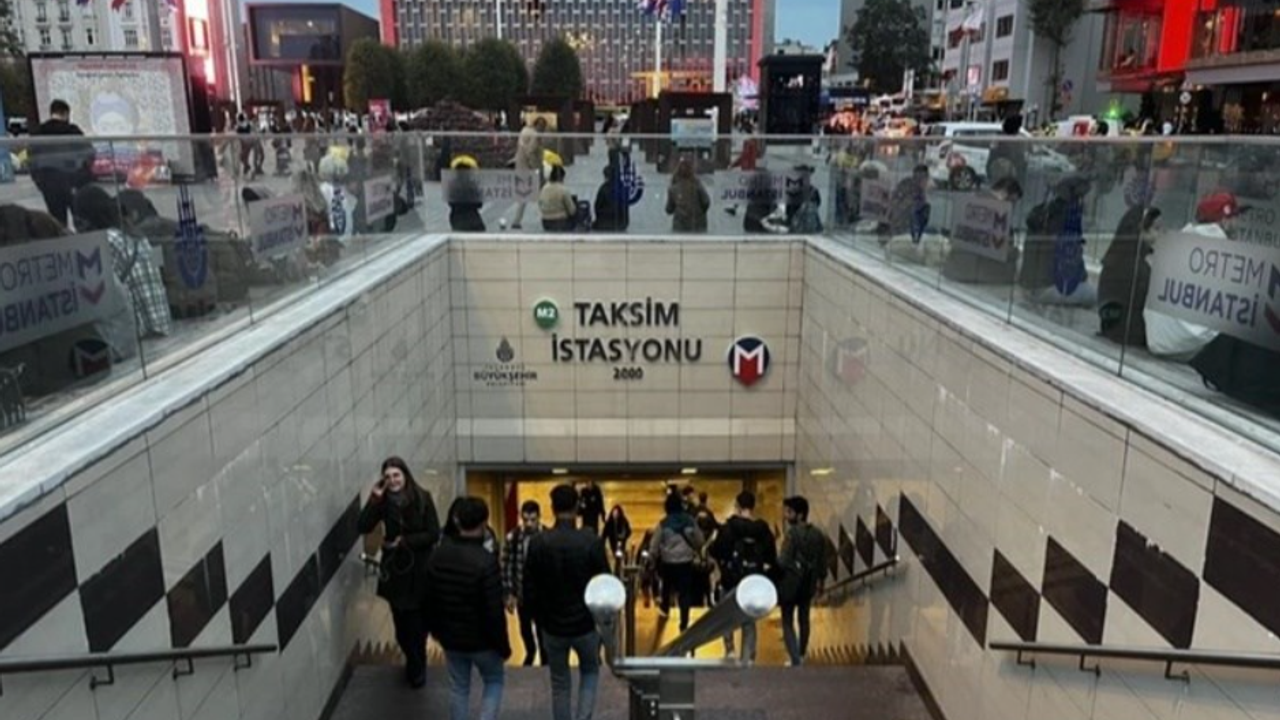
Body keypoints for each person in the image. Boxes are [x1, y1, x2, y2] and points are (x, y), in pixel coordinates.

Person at [525, 485, 611, 720]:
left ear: (552, 508)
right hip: (585, 624)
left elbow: (530, 588)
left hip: (552, 625)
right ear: (577, 507)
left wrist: (539, 620)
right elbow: (604, 582)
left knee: (560, 682)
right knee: (590, 672)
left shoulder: (538, 542)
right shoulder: (591, 541)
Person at [356, 457, 441, 688]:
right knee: (402, 629)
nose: (392, 480)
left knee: (417, 626)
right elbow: (362, 526)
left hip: (420, 570)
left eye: (396, 475)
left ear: (405, 475)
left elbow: (433, 533)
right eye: (388, 477)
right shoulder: (383, 502)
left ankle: (417, 667)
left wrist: (404, 541)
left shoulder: (422, 497)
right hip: (396, 571)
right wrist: (374, 499)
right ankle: (414, 659)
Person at [427, 496, 509, 720]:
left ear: (456, 520)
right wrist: (503, 646)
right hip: (483, 641)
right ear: (484, 523)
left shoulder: (438, 555)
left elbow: (429, 598)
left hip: (451, 639)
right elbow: (494, 610)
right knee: (494, 681)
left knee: (459, 687)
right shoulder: (486, 561)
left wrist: (436, 631)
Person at [1145, 192, 1241, 360]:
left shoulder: (1175, 242)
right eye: (1235, 217)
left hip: (1157, 341)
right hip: (1191, 348)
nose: (1238, 223)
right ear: (1224, 221)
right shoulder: (1224, 255)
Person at [71, 187, 171, 346]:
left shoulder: (106, 241)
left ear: (86, 218)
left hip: (139, 335)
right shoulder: (138, 235)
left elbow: (100, 297)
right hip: (162, 324)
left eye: (77, 221)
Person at [709, 491, 776, 663]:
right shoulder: (762, 529)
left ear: (737, 506)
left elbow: (717, 551)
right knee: (749, 619)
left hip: (730, 578)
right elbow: (771, 557)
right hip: (752, 581)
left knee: (726, 616)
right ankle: (748, 657)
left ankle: (730, 650)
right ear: (753, 506)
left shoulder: (728, 528)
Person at [1019, 173, 1096, 306]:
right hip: (1046, 289)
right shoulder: (1067, 221)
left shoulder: (1044, 211)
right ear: (1078, 198)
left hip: (1027, 286)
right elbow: (1072, 267)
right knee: (1096, 296)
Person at [777, 496, 830, 667]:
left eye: (789, 512)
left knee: (787, 620)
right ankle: (801, 653)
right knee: (804, 618)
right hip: (808, 583)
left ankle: (794, 659)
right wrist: (821, 583)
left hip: (790, 583)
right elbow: (823, 562)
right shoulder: (818, 535)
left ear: (800, 514)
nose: (786, 516)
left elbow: (783, 561)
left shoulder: (791, 534)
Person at [1098, 206, 1161, 348]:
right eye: (1155, 229)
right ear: (1140, 231)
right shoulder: (1137, 266)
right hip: (1132, 335)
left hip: (1112, 330)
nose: (1159, 235)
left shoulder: (1116, 256)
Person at [941, 177, 1024, 284]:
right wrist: (1015, 252)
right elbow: (997, 250)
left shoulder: (972, 203)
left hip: (954, 271)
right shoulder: (996, 214)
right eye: (1012, 201)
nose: (1013, 207)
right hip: (976, 278)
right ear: (1004, 194)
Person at [29, 99, 94, 227]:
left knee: (57, 222)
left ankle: (63, 239)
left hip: (49, 183)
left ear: (52, 112)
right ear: (66, 113)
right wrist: (84, 175)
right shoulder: (73, 130)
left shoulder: (39, 132)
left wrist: (39, 182)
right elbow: (88, 153)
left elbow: (32, 159)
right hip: (73, 182)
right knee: (82, 219)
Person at [649, 491, 706, 630]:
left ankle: (665, 608)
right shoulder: (690, 521)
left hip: (668, 562)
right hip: (685, 562)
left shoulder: (664, 523)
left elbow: (654, 544)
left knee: (666, 587)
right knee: (684, 592)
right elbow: (700, 540)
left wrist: (652, 558)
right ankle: (684, 621)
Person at [502, 500, 546, 666]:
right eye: (525, 519)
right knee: (525, 630)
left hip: (542, 596)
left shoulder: (547, 536)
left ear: (539, 517)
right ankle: (530, 652)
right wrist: (508, 593)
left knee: (543, 633)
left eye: (532, 520)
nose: (529, 524)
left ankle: (544, 660)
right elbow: (506, 566)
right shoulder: (513, 537)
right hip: (522, 594)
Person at [511, 117, 547, 229]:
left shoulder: (524, 131)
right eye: (543, 128)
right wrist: (535, 169)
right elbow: (530, 152)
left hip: (520, 167)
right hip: (530, 169)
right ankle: (548, 215)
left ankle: (517, 220)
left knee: (524, 195)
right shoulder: (535, 136)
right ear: (540, 126)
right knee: (542, 193)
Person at [666, 157, 710, 233]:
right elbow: (706, 202)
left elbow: (669, 210)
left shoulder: (673, 189)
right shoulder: (697, 185)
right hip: (698, 225)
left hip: (680, 226)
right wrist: (700, 213)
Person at [985, 115, 1027, 187]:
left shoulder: (998, 139)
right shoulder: (1015, 142)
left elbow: (990, 161)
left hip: (1002, 180)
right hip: (1007, 180)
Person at [447, 157, 486, 232]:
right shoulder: (472, 185)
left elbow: (451, 203)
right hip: (472, 217)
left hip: (457, 217)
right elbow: (479, 204)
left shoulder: (452, 185)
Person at [539, 165, 578, 232]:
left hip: (545, 222)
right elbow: (572, 211)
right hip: (560, 222)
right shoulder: (563, 190)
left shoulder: (544, 189)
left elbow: (540, 205)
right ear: (561, 177)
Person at [592, 165, 630, 232]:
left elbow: (597, 206)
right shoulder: (622, 187)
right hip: (621, 224)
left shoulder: (603, 188)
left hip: (604, 223)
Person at [602, 505, 632, 570]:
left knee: (619, 557)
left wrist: (624, 536)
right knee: (615, 556)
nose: (615, 515)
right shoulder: (609, 522)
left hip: (621, 542)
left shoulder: (623, 521)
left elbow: (629, 531)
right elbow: (604, 534)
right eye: (614, 513)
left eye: (616, 513)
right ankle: (617, 569)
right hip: (613, 542)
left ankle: (618, 569)